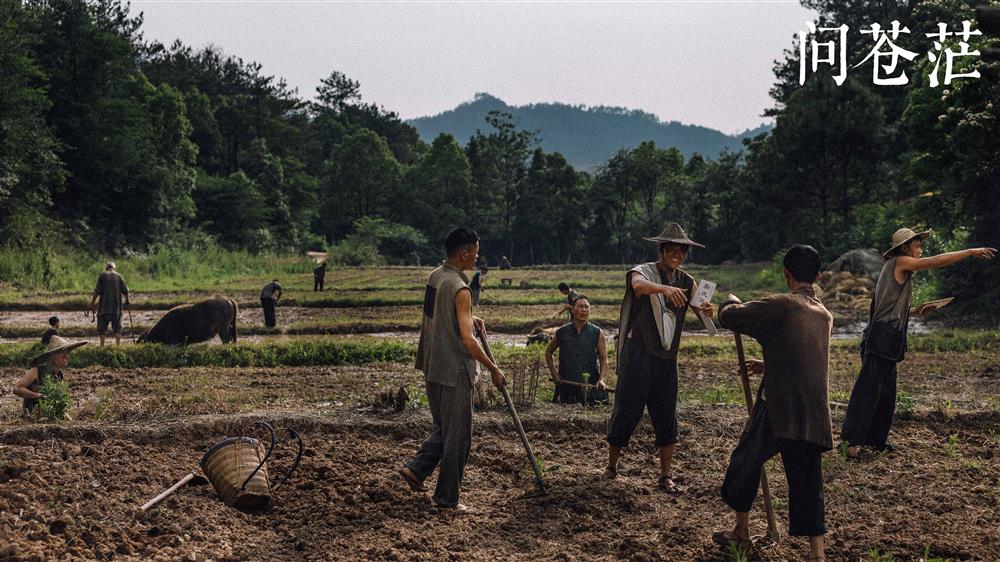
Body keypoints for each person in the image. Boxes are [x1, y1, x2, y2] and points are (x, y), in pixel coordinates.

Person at [712, 244, 833, 561]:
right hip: (814, 413)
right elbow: (806, 359)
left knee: (744, 463)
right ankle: (817, 555)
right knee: (808, 483)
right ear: (817, 276)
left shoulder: (782, 305)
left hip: (779, 408)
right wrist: (769, 365)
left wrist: (729, 303)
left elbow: (731, 317)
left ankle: (741, 532)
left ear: (786, 274)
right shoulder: (824, 315)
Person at [840, 229, 996, 454]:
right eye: (917, 246)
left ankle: (875, 441)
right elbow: (936, 262)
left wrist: (915, 311)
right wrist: (970, 251)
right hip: (882, 336)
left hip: (889, 338)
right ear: (905, 248)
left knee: (886, 394)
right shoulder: (900, 262)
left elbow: (889, 307)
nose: (920, 250)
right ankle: (850, 444)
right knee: (868, 392)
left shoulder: (898, 268)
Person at [400, 227, 507, 512]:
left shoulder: (437, 276)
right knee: (458, 438)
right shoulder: (461, 288)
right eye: (475, 252)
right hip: (455, 371)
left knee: (445, 429)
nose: (477, 257)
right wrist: (493, 368)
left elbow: (442, 316)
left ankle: (417, 469)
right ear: (464, 253)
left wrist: (472, 317)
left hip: (433, 364)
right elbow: (468, 342)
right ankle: (447, 499)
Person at [604, 223, 714, 492]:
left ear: (685, 254)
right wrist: (664, 290)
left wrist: (709, 311)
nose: (676, 254)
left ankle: (665, 475)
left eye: (681, 251)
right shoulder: (645, 271)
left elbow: (702, 312)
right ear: (662, 250)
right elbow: (637, 285)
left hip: (667, 356)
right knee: (627, 409)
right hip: (638, 353)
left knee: (666, 413)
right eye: (671, 249)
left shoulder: (687, 281)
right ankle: (611, 467)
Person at [545, 296, 609, 404]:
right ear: (573, 310)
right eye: (580, 307)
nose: (583, 310)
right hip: (567, 384)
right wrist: (555, 375)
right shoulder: (562, 332)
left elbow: (604, 358)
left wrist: (601, 379)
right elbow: (548, 352)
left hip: (590, 385)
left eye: (586, 307)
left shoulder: (597, 332)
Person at [14, 336, 87, 417]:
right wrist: (38, 396)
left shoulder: (59, 375)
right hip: (33, 414)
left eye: (68, 352)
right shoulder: (37, 371)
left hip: (50, 414)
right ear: (52, 355)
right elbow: (17, 389)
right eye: (63, 352)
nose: (66, 356)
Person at [88, 262, 129, 347]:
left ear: (106, 268)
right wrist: (127, 300)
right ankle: (118, 346)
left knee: (102, 329)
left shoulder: (103, 276)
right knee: (117, 329)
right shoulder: (119, 276)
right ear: (114, 268)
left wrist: (91, 304)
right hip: (116, 309)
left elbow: (97, 291)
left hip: (104, 308)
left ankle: (102, 346)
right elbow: (125, 291)